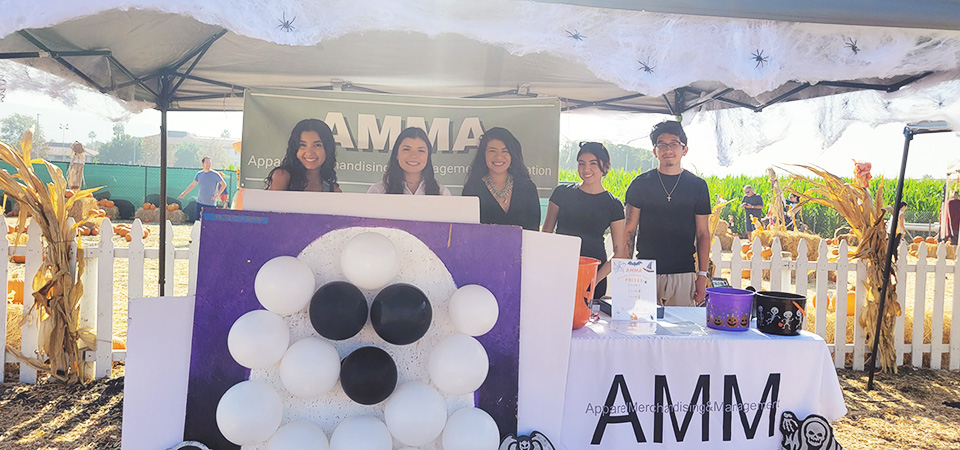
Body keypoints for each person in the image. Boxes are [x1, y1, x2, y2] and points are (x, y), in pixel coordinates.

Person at [622, 121, 711, 307]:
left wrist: (702, 275)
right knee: (641, 331)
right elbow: (629, 230)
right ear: (655, 151)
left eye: (673, 143)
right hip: (645, 271)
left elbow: (703, 233)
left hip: (683, 272)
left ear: (684, 149)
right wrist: (626, 272)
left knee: (681, 332)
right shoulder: (640, 184)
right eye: (661, 144)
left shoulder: (697, 186)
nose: (667, 149)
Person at [542, 142, 626, 299]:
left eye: (593, 163)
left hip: (594, 277)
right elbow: (546, 235)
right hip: (559, 272)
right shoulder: (561, 194)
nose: (586, 169)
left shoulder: (613, 204)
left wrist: (592, 281)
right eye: (581, 164)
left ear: (605, 166)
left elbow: (619, 252)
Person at [461, 127, 541, 230]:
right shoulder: (471, 190)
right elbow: (467, 233)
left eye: (505, 151)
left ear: (512, 155)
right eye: (492, 151)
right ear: (483, 154)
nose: (499, 157)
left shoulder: (528, 188)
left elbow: (534, 230)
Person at [367, 127, 451, 196]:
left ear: (428, 156)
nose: (414, 155)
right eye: (407, 149)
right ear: (396, 154)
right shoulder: (378, 192)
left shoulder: (442, 193)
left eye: (421, 150)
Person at [265, 119, 342, 192]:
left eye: (317, 145)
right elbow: (271, 204)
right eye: (303, 145)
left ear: (327, 149)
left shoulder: (333, 191)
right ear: (295, 149)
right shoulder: (282, 176)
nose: (309, 152)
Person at [179, 156, 226, 220]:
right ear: (202, 164)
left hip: (211, 204)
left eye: (210, 163)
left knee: (210, 223)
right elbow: (192, 185)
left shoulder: (215, 174)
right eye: (207, 163)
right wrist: (184, 193)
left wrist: (217, 195)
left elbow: (224, 185)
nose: (208, 164)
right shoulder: (199, 174)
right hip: (200, 203)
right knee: (197, 222)